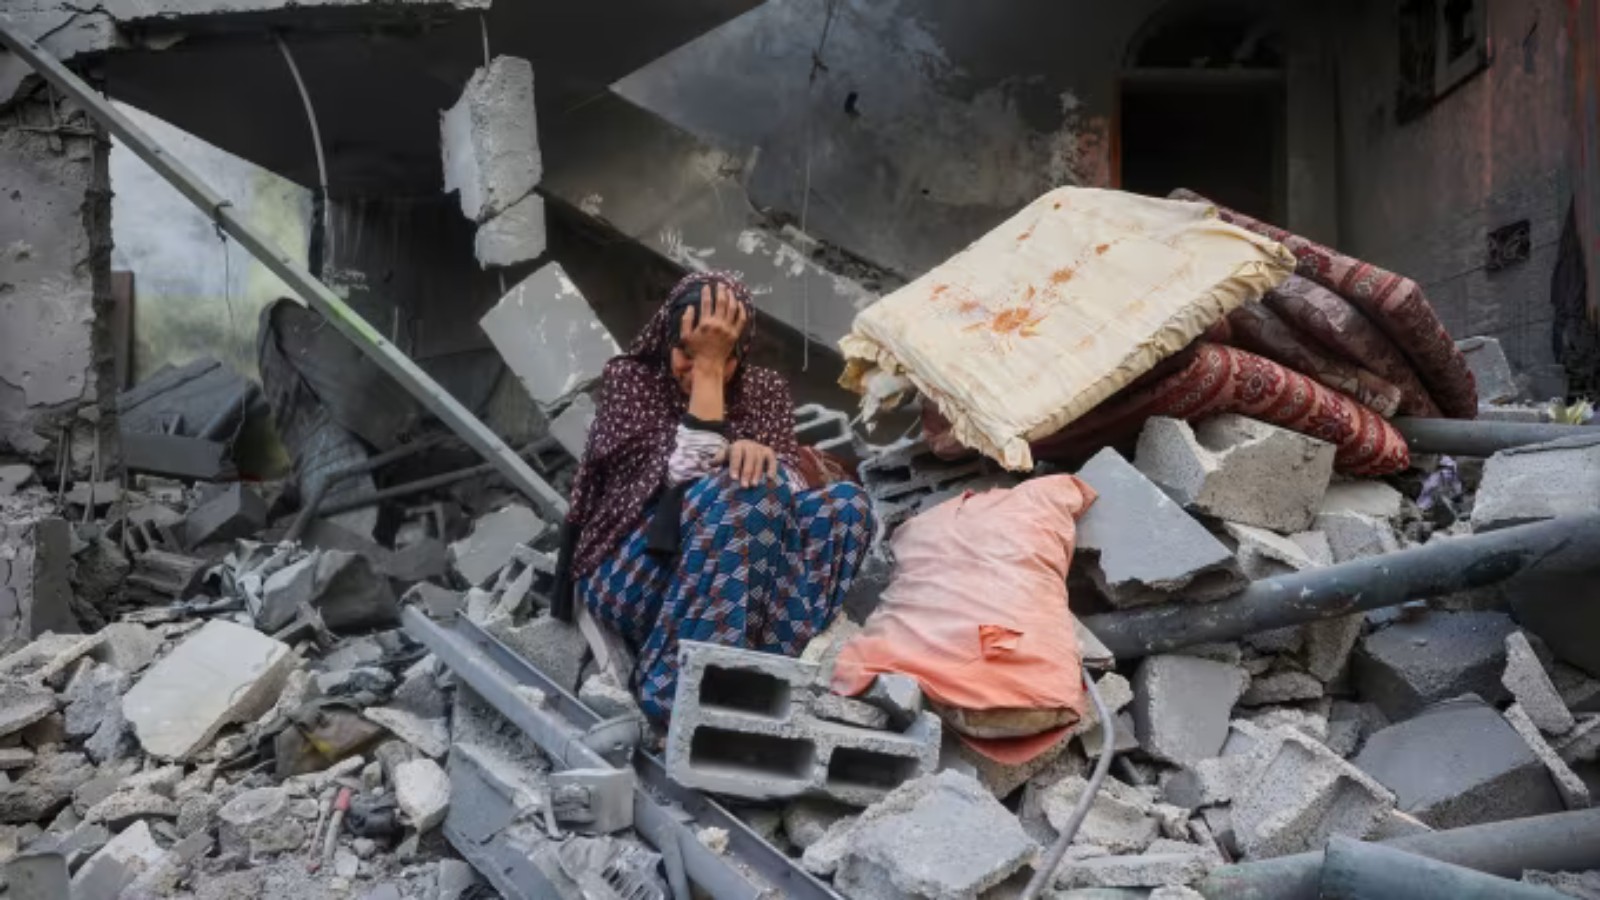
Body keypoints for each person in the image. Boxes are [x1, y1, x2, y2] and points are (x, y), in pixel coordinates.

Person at [553, 272, 875, 722]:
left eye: (722, 357)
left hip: (734, 588)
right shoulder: (632, 381)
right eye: (688, 352)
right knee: (746, 491)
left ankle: (761, 678)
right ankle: (673, 691)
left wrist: (762, 457)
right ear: (667, 341)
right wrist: (708, 373)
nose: (697, 368)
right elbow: (677, 483)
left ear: (740, 354)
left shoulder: (763, 391)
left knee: (846, 507)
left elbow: (792, 492)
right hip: (634, 573)